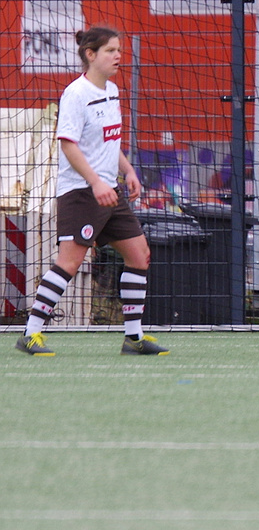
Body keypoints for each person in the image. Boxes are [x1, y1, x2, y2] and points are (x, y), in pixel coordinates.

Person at [16, 28, 167, 357]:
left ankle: (134, 338)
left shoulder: (111, 90)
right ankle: (30, 334)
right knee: (69, 263)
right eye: (110, 50)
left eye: (118, 50)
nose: (118, 56)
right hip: (83, 193)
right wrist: (97, 182)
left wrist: (126, 171)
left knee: (139, 254)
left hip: (109, 192)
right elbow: (68, 145)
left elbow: (109, 141)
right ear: (90, 55)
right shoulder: (76, 94)